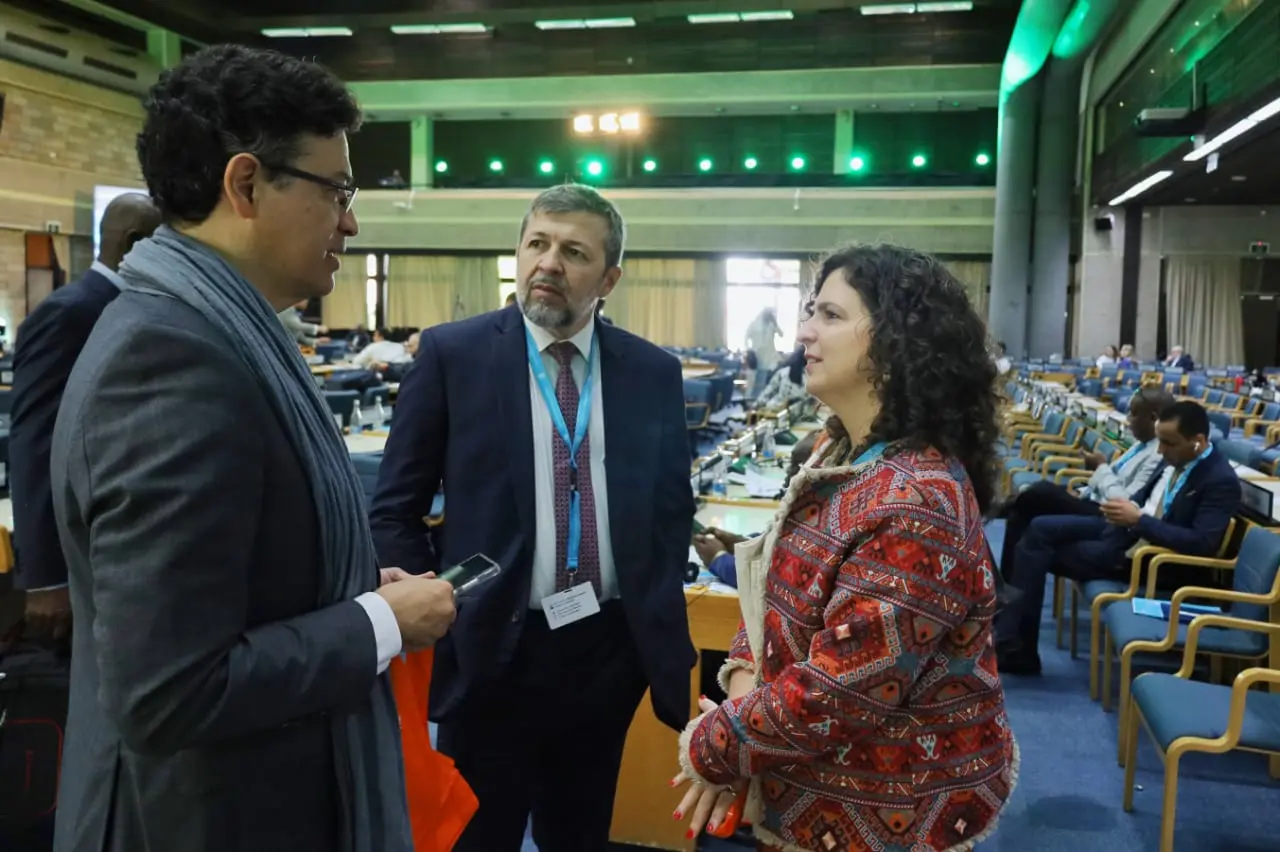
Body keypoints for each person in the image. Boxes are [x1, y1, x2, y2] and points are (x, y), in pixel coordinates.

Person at [48, 44, 457, 852]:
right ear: (244, 185)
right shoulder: (170, 358)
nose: (351, 220)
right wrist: (375, 622)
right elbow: (169, 689)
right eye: (336, 189)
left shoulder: (217, 330)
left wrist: (331, 577)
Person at [370, 183, 696, 852]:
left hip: (605, 649)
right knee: (479, 836)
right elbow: (395, 507)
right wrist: (433, 601)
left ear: (608, 278)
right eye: (537, 244)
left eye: (574, 252)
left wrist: (647, 624)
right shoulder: (453, 356)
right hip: (492, 644)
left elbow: (670, 511)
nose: (549, 263)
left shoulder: (652, 372)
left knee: (578, 834)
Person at [673, 243, 1016, 851]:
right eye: (811, 312)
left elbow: (839, 695)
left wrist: (714, 744)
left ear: (897, 341)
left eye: (830, 316)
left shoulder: (915, 500)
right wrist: (745, 690)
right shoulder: (841, 451)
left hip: (888, 807)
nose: (804, 331)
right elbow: (772, 581)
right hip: (814, 782)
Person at [9, 192, 160, 648]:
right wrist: (45, 577)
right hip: (74, 557)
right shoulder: (70, 312)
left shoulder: (131, 308)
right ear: (134, 242)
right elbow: (36, 442)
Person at [996, 400, 1240, 674]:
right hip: (1124, 531)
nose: (1161, 450)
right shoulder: (1176, 458)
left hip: (1147, 558)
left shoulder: (1219, 480)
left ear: (1198, 441)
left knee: (1035, 550)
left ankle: (1015, 648)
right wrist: (1124, 510)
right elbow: (1145, 498)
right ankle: (1010, 639)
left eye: (1169, 443)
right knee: (1038, 527)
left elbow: (1202, 544)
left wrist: (1139, 520)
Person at [997, 386, 1174, 580]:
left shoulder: (1159, 453)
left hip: (1107, 514)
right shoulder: (1140, 444)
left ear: (1153, 417)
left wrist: (1101, 468)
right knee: (1022, 511)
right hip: (1093, 498)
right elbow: (1113, 478)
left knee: (1040, 493)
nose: (1128, 420)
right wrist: (1084, 490)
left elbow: (1125, 502)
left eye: (1133, 414)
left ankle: (1002, 507)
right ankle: (1004, 585)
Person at [692, 430, 820, 587]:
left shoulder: (816, 525)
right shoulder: (809, 514)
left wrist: (718, 558)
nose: (786, 480)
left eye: (795, 468)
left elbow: (768, 579)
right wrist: (740, 542)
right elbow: (778, 544)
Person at [752, 345, 807, 411]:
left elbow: (767, 393)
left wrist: (755, 405)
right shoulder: (809, 376)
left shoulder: (783, 373)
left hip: (776, 410)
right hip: (796, 412)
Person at [745, 307, 782, 396]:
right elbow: (746, 338)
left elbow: (781, 334)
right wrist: (749, 350)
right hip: (756, 356)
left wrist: (775, 323)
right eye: (767, 314)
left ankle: (762, 399)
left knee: (766, 379)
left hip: (769, 356)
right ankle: (748, 399)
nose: (768, 316)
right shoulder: (754, 324)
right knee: (753, 380)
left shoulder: (772, 325)